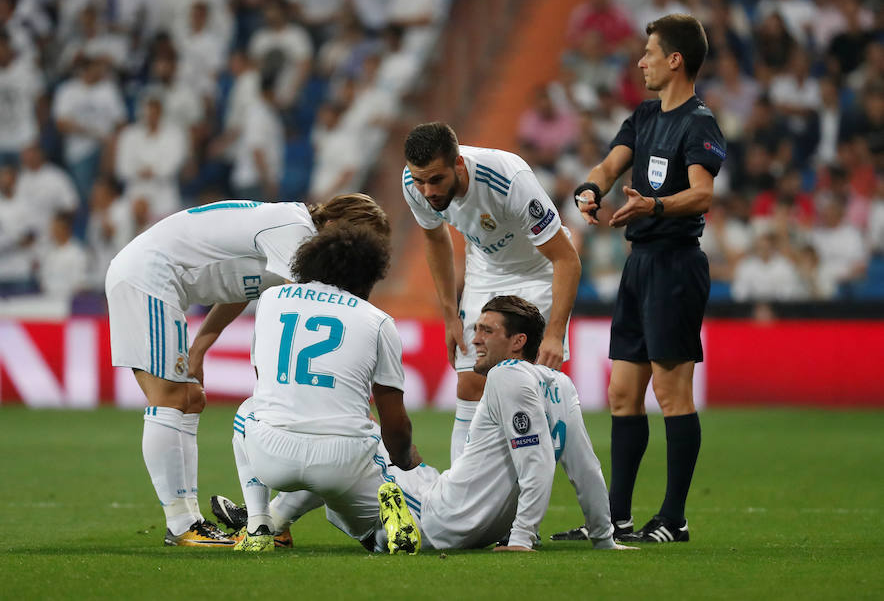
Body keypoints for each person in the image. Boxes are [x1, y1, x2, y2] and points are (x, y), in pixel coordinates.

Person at [105, 193, 389, 547]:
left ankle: (190, 521)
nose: (354, 252)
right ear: (333, 223)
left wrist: (201, 346)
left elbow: (241, 285)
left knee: (191, 398)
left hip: (159, 280)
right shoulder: (295, 233)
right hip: (147, 275)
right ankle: (181, 525)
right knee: (170, 398)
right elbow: (321, 311)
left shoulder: (288, 236)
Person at [557, 14, 725, 544]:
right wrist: (590, 188)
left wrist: (653, 203)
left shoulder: (700, 122)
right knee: (622, 392)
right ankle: (616, 519)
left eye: (649, 52)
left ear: (675, 59)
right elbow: (610, 165)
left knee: (672, 393)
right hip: (640, 265)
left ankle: (674, 519)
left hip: (676, 263)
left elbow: (702, 195)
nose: (640, 61)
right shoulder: (645, 115)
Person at [376, 295, 633, 553]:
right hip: (481, 530)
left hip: (438, 516)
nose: (475, 339)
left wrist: (521, 538)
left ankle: (383, 529)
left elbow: (536, 461)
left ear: (518, 341)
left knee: (364, 442)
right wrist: (603, 538)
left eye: (487, 331)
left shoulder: (506, 373)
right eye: (476, 330)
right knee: (410, 466)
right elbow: (586, 468)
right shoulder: (560, 383)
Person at [231, 224, 419, 552]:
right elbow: (396, 423)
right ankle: (384, 519)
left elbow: (264, 381)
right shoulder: (377, 320)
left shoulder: (271, 299)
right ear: (369, 274)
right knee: (369, 437)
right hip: (343, 461)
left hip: (271, 455)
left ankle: (259, 523)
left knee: (248, 410)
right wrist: (403, 459)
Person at [401, 122, 581, 465]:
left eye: (436, 179)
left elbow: (566, 259)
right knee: (469, 383)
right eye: (420, 180)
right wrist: (449, 315)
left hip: (538, 271)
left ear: (458, 164)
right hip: (485, 271)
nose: (427, 190)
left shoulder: (508, 179)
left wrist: (555, 334)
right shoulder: (414, 182)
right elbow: (434, 238)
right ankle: (460, 491)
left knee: (522, 390)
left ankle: (528, 489)